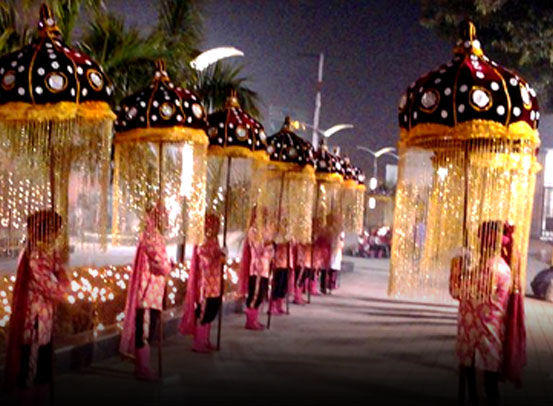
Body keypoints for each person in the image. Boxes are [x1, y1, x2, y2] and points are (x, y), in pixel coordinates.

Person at [4, 210, 68, 404]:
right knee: (30, 364)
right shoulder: (34, 254)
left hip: (44, 316)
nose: (56, 235)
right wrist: (62, 287)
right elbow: (49, 286)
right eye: (53, 230)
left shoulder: (47, 252)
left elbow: (61, 275)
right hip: (34, 318)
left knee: (43, 363)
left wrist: (60, 271)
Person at [453, 221, 514, 406]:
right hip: (484, 330)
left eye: (480, 240)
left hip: (483, 331)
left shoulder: (491, 268)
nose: (478, 244)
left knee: (485, 383)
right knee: (485, 381)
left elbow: (458, 291)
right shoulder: (499, 266)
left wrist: (456, 268)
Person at [119, 202, 172, 380]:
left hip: (154, 290)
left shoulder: (154, 235)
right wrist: (168, 266)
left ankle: (143, 364)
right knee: (145, 329)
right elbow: (160, 261)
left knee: (149, 328)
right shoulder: (151, 236)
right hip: (147, 290)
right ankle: (142, 366)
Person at [179, 214, 225, 352]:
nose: (216, 228)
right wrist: (218, 257)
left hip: (215, 283)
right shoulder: (202, 242)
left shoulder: (215, 240)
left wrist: (222, 254)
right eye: (214, 225)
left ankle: (205, 340)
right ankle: (199, 342)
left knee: (211, 311)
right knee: (203, 313)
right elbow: (206, 261)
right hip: (206, 284)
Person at [239, 209, 275, 330]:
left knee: (261, 293)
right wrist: (269, 245)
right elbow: (259, 248)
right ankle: (250, 321)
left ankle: (254, 318)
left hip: (265, 267)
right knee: (255, 294)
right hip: (257, 268)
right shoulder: (253, 230)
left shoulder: (265, 229)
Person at [269, 242, 292, 315]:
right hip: (278, 262)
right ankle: (272, 306)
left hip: (287, 261)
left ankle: (279, 305)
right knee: (277, 285)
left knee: (284, 286)